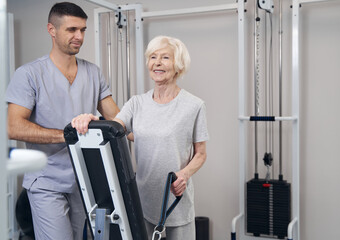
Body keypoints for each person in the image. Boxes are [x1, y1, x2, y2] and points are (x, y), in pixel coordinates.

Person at [72, 35, 209, 240]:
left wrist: (185, 174)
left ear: (178, 64)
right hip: (142, 202)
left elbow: (200, 153)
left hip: (175, 201)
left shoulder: (194, 105)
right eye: (153, 57)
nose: (157, 63)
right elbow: (113, 128)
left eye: (165, 57)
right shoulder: (137, 103)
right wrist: (91, 119)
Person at [6, 2, 119, 239]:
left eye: (83, 30)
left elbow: (117, 119)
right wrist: (69, 135)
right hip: (46, 180)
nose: (79, 36)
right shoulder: (29, 74)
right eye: (71, 30)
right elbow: (14, 126)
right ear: (52, 29)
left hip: (84, 178)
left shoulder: (93, 72)